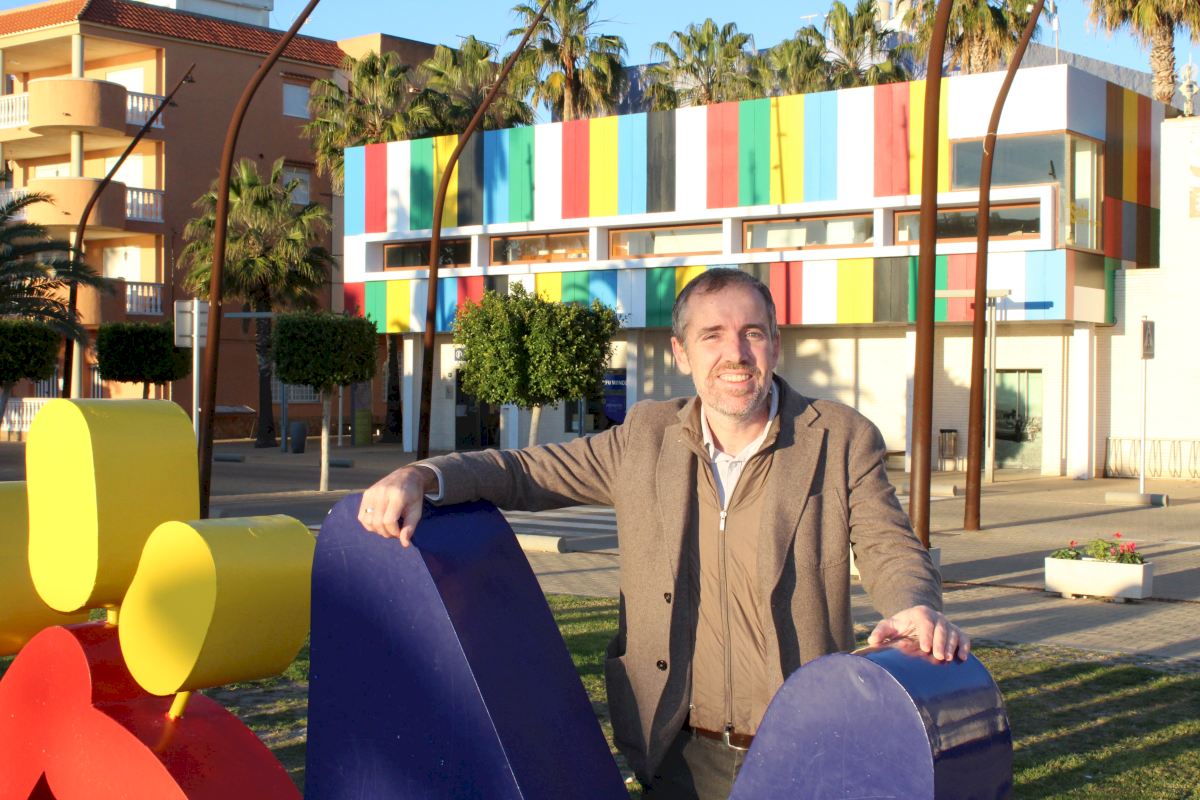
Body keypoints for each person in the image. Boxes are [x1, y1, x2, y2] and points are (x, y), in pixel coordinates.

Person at [358, 268, 969, 800]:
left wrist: (914, 605)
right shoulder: (644, 438)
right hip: (675, 749)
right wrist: (424, 475)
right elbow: (524, 472)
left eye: (753, 333)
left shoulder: (839, 438)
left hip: (804, 742)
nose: (736, 353)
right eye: (713, 335)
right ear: (681, 353)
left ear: (775, 345)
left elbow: (890, 544)